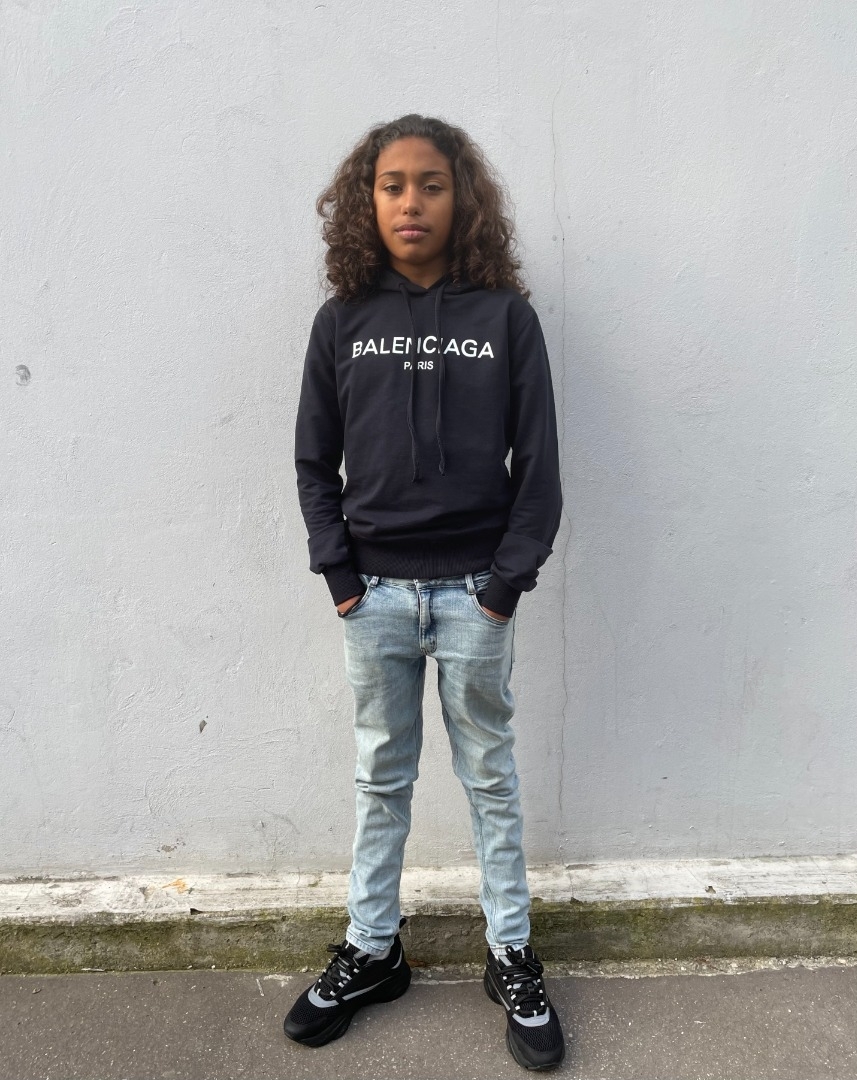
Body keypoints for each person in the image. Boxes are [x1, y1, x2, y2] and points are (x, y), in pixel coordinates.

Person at [285, 114, 564, 1071]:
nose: (411, 202)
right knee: (381, 778)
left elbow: (539, 469)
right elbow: (313, 461)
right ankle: (372, 952)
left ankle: (510, 953)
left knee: (489, 776)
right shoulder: (342, 322)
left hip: (474, 594)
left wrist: (504, 585)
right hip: (374, 597)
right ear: (366, 202)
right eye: (392, 185)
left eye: (431, 184)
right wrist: (341, 577)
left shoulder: (504, 319)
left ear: (462, 198)